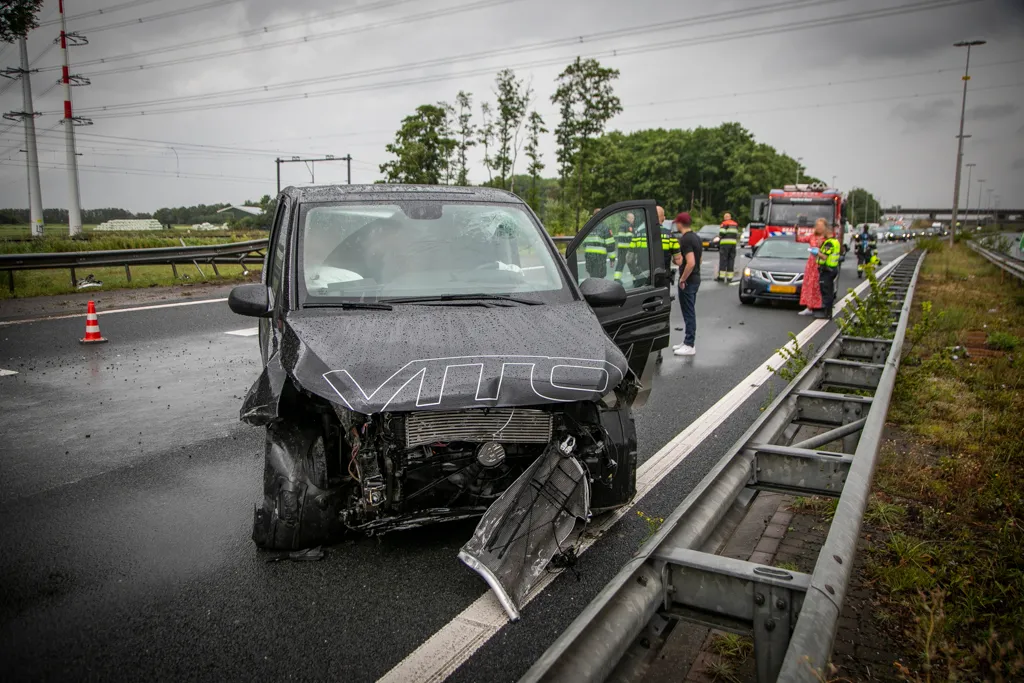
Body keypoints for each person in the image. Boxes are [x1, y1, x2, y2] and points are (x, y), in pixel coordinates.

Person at [672, 212, 702, 356]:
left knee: (689, 312)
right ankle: (686, 341)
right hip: (696, 278)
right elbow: (699, 260)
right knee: (688, 311)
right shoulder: (696, 237)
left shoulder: (685, 240)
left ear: (679, 224)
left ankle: (690, 344)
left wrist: (682, 279)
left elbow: (691, 262)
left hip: (689, 281)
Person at [814, 219, 842, 319]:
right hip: (832, 269)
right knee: (829, 290)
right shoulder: (836, 241)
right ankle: (828, 312)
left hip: (827, 270)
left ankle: (826, 313)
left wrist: (816, 252)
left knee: (826, 291)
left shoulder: (829, 243)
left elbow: (824, 256)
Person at [798, 220, 826, 316]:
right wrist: (796, 231)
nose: (818, 228)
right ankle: (809, 306)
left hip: (821, 263)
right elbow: (799, 239)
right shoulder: (812, 236)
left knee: (819, 285)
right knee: (809, 285)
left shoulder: (826, 239)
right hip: (811, 264)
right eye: (817, 226)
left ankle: (819, 305)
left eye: (820, 226)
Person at [717, 212, 740, 282]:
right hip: (733, 244)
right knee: (731, 260)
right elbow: (736, 234)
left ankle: (721, 277)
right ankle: (730, 277)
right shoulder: (735, 224)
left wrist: (719, 237)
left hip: (725, 244)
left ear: (725, 218)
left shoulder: (724, 223)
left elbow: (722, 233)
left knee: (723, 260)